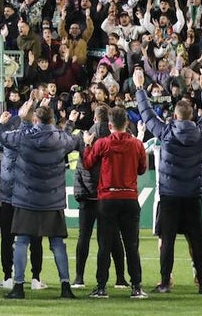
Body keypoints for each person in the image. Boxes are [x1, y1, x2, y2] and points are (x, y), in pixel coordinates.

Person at [134, 65, 202, 294]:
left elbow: (147, 115)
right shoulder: (201, 133)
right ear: (192, 116)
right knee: (197, 242)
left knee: (167, 241)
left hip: (169, 195)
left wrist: (140, 88)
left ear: (174, 116)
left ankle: (164, 282)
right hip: (192, 196)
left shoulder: (166, 133)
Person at [0, 104, 80, 300]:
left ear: (36, 119)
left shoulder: (24, 136)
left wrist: (17, 122)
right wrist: (70, 123)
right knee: (57, 244)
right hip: (53, 201)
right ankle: (65, 286)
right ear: (52, 120)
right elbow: (72, 141)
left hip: (26, 200)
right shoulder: (60, 138)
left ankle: (18, 287)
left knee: (22, 242)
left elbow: (2, 138)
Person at [82, 105, 148, 299]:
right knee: (131, 245)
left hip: (108, 198)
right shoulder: (136, 144)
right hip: (129, 198)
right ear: (126, 123)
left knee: (105, 244)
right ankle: (136, 286)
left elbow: (87, 164)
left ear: (110, 125)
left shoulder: (102, 143)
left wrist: (87, 144)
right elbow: (142, 169)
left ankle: (101, 287)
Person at [72, 106, 126, 289]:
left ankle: (79, 277)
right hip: (108, 194)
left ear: (94, 119)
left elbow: (82, 165)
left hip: (87, 197)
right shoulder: (113, 139)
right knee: (113, 238)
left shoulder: (84, 137)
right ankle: (120, 278)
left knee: (84, 237)